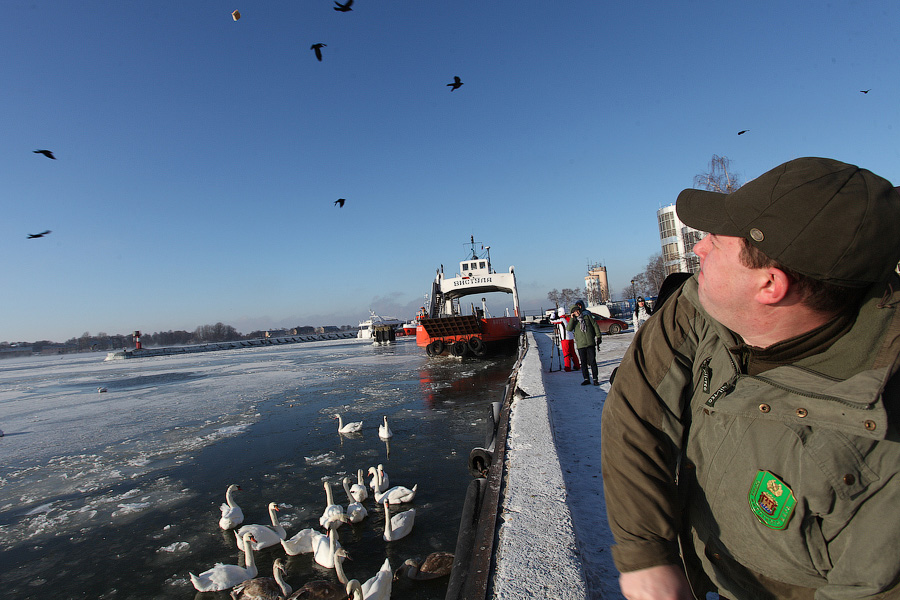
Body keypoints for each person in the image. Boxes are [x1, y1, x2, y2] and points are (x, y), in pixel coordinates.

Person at [600, 157, 900, 600]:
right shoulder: (701, 308)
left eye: (716, 243)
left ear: (770, 285)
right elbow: (637, 410)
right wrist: (646, 554)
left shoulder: (882, 448)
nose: (697, 250)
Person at [566, 300, 602, 386]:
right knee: (584, 362)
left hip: (590, 342)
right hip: (581, 344)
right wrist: (572, 318)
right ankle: (586, 378)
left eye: (577, 310)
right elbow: (569, 329)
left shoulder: (587, 317)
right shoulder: (574, 321)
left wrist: (598, 336)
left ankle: (595, 378)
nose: (577, 312)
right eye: (574, 311)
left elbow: (595, 325)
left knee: (592, 361)